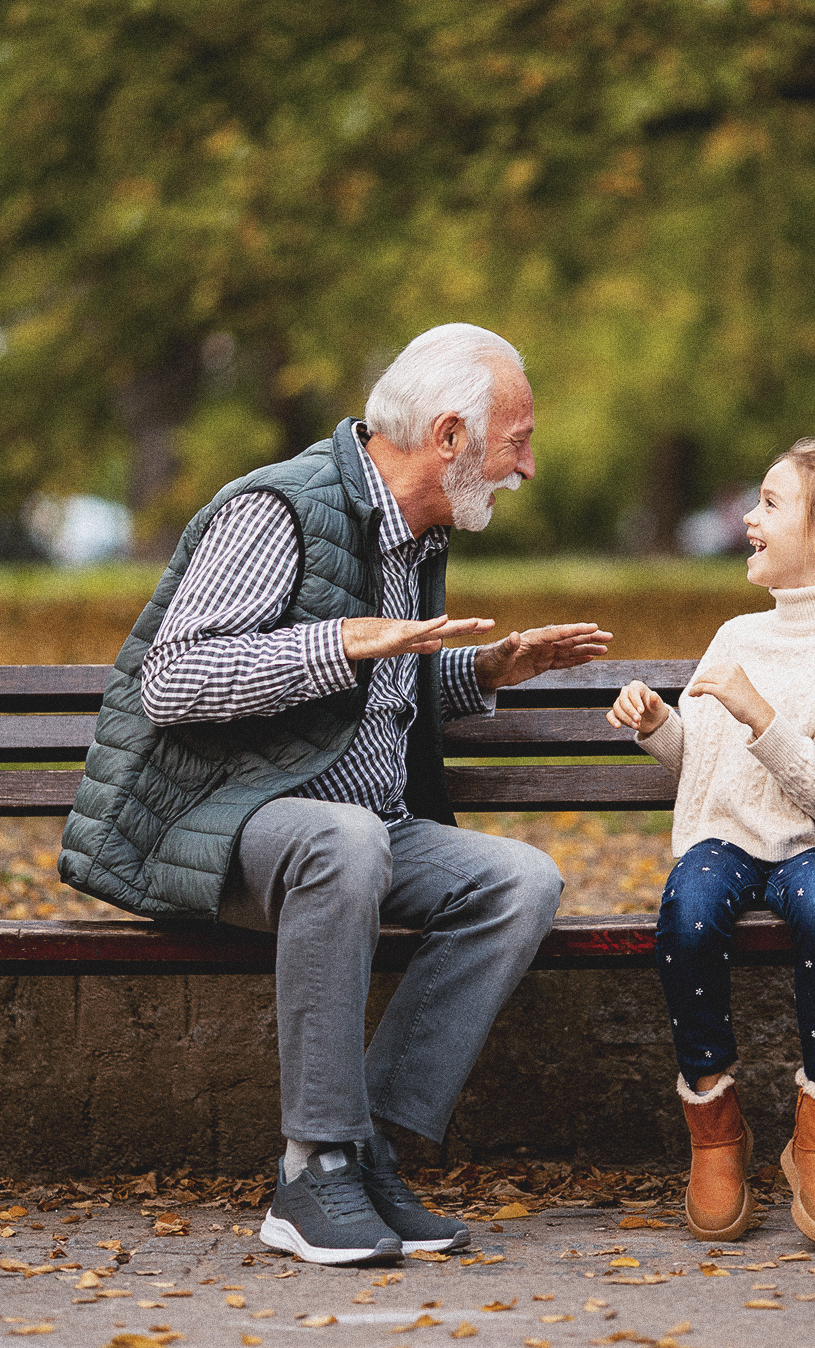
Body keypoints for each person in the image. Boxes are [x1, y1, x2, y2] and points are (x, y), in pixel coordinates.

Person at [60, 323, 612, 1265]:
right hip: (221, 826)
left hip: (358, 828)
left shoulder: (413, 531)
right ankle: (311, 1172)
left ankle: (367, 1151)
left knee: (519, 880)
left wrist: (484, 670)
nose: (527, 466)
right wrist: (345, 640)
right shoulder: (277, 510)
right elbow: (175, 682)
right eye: (516, 441)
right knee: (345, 839)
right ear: (449, 437)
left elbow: (363, 699)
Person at [607, 438, 815, 1249]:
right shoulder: (735, 636)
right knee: (688, 908)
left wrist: (763, 715)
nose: (749, 519)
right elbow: (711, 769)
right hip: (731, 837)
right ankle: (716, 1129)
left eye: (767, 504)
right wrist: (660, 729)